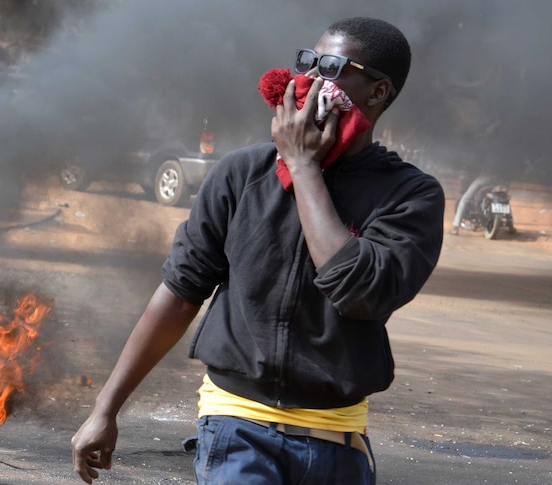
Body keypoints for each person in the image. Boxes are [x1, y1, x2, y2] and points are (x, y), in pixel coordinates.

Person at [71, 16, 444, 485]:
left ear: (377, 92)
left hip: (337, 441)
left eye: (331, 66)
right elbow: (182, 292)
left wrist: (303, 168)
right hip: (235, 427)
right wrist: (105, 409)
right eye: (307, 62)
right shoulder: (241, 173)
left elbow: (358, 291)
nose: (309, 79)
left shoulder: (410, 195)